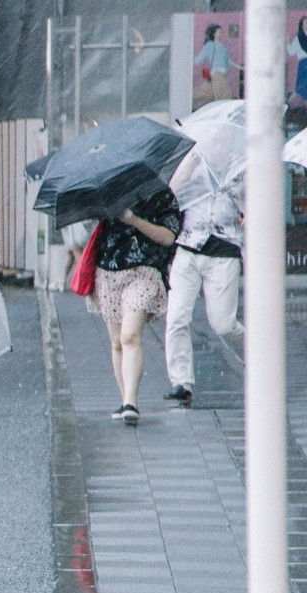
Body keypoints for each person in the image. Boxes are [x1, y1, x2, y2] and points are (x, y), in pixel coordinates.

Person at [87, 189, 182, 425]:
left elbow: (169, 236)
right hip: (108, 270)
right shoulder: (107, 191)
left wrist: (134, 220)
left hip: (144, 271)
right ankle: (125, 400)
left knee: (130, 336)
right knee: (117, 341)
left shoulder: (160, 195)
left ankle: (131, 401)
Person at [163, 152, 244, 405]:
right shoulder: (191, 166)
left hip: (223, 251)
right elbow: (170, 193)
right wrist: (191, 162)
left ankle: (260, 363)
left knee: (223, 324)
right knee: (176, 317)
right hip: (188, 248)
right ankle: (181, 382)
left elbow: (254, 204)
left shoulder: (241, 168)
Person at [194, 25, 234, 108]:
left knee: (206, 93)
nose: (221, 34)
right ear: (214, 34)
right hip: (217, 74)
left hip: (219, 74)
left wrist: (242, 68)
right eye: (219, 32)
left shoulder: (223, 47)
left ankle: (186, 92)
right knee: (225, 97)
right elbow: (198, 59)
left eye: (221, 32)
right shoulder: (210, 46)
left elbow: (229, 62)